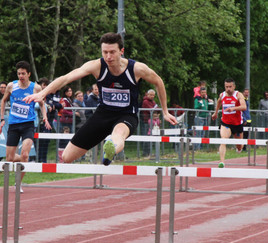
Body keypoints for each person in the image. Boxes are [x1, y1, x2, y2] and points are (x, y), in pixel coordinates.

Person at [24, 32, 177, 165]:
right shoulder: (97, 66)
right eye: (105, 52)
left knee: (117, 135)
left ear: (121, 51)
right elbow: (66, 78)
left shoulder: (136, 69)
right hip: (102, 114)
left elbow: (158, 82)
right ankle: (108, 147)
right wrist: (42, 94)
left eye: (112, 52)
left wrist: (164, 111)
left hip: (126, 115)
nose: (108, 57)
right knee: (67, 156)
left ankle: (110, 150)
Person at [0, 61, 51, 191]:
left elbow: (41, 103)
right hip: (14, 124)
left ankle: (19, 183)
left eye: (23, 73)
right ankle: (21, 160)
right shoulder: (11, 86)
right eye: (19, 73)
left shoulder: (36, 88)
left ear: (28, 74)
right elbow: (3, 100)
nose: (21, 76)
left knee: (25, 154)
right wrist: (2, 119)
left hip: (28, 124)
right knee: (10, 158)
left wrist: (44, 117)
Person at [212, 78, 246, 168]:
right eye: (226, 87)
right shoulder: (222, 95)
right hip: (225, 123)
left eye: (230, 87)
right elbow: (219, 102)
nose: (228, 89)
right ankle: (222, 162)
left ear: (234, 86)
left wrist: (233, 108)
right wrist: (215, 113)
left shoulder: (238, 95)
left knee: (239, 146)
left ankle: (239, 148)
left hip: (237, 124)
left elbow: (244, 107)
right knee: (223, 139)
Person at [140, 89, 158, 156]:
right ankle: (145, 153)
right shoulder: (145, 101)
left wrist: (155, 109)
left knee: (150, 137)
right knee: (146, 137)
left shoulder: (153, 102)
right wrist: (154, 109)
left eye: (153, 95)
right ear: (147, 94)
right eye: (150, 95)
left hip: (152, 122)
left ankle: (149, 152)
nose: (152, 96)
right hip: (146, 121)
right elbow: (152, 110)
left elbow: (157, 109)